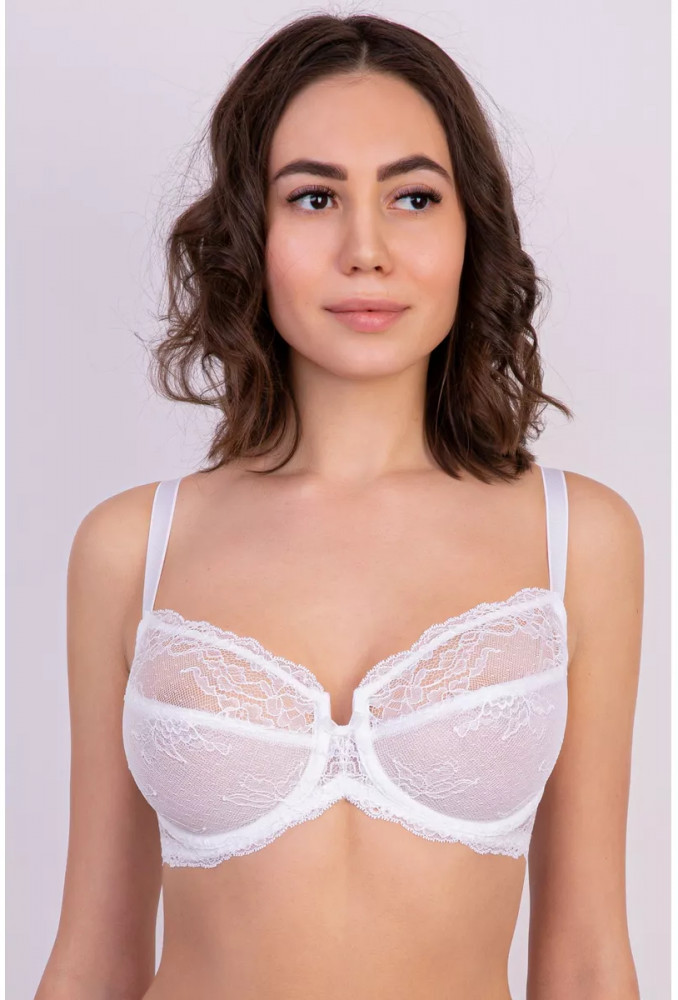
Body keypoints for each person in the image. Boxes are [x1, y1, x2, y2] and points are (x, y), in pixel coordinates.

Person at [35, 12, 643, 1000]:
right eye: (314, 196)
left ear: (470, 229)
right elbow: (95, 957)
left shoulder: (579, 540)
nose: (367, 248)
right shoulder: (132, 548)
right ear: (250, 232)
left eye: (413, 196)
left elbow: (584, 960)